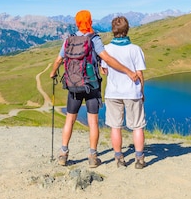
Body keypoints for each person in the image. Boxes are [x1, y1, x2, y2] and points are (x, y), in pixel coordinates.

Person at [49, 10, 139, 168]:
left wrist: (53, 72)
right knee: (93, 122)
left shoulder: (69, 39)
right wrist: (128, 71)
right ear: (89, 21)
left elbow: (58, 60)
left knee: (70, 119)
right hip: (91, 86)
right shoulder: (94, 38)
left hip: (73, 86)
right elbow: (107, 58)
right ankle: (92, 157)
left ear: (77, 22)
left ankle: (63, 154)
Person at [100, 16, 147, 169]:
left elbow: (104, 71)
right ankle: (139, 159)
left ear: (112, 30)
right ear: (127, 30)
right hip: (132, 92)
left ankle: (119, 157)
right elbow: (139, 74)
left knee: (115, 126)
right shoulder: (135, 49)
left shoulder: (105, 49)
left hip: (113, 92)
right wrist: (142, 91)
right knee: (137, 126)